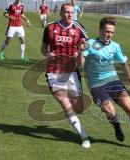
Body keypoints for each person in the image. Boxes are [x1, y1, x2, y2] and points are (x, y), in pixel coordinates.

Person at [79, 17, 130, 152]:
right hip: (97, 85)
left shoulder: (115, 46)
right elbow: (79, 64)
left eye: (112, 32)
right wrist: (81, 51)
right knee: (111, 111)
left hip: (114, 82)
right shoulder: (90, 43)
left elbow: (123, 62)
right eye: (106, 32)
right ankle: (116, 125)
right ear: (100, 30)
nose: (109, 35)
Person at [41, 3, 90, 149]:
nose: (70, 15)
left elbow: (83, 56)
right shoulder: (50, 27)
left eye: (71, 12)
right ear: (61, 13)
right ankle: (84, 137)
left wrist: (80, 52)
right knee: (66, 104)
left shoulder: (79, 29)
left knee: (78, 106)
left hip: (72, 71)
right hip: (54, 71)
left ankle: (75, 122)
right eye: (67, 12)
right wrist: (48, 54)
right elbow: (43, 48)